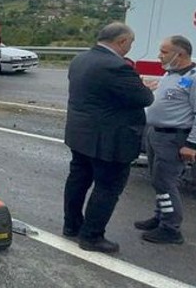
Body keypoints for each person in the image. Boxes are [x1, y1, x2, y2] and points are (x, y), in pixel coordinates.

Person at [63, 22, 154, 254]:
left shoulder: (80, 60)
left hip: (80, 135)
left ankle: (72, 225)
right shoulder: (117, 66)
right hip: (108, 140)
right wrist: (145, 86)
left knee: (78, 180)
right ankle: (92, 236)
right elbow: (144, 98)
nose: (130, 47)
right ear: (121, 41)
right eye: (130, 43)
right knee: (108, 187)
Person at [134, 35, 196, 244]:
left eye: (164, 51)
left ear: (180, 54)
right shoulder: (171, 74)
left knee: (165, 182)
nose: (159, 56)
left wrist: (191, 144)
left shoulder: (193, 78)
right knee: (157, 179)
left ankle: (171, 228)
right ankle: (161, 216)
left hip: (173, 137)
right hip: (156, 133)